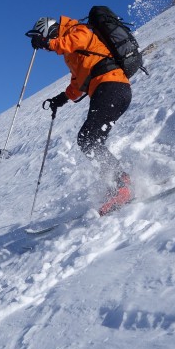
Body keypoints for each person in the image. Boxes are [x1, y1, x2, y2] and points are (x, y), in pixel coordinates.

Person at [27, 15, 133, 214]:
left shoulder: (77, 31)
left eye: (42, 36)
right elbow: (78, 82)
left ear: (49, 30)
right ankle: (118, 185)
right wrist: (62, 98)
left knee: (88, 138)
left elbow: (72, 42)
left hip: (112, 86)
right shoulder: (71, 55)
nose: (43, 45)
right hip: (109, 89)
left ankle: (122, 185)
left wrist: (48, 43)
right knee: (90, 140)